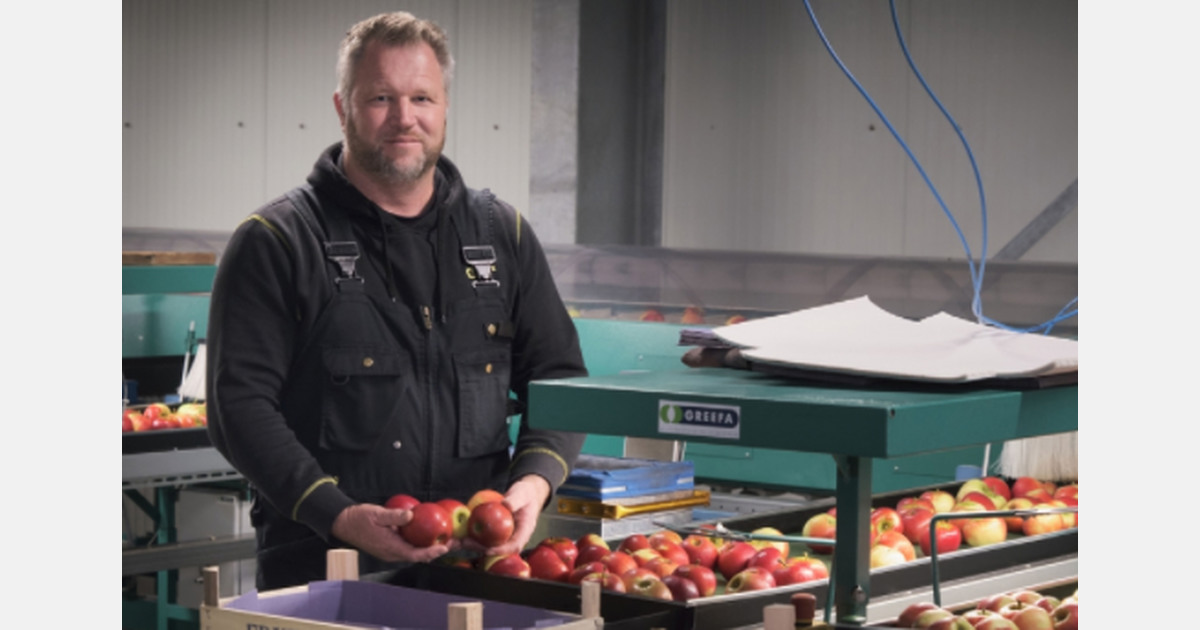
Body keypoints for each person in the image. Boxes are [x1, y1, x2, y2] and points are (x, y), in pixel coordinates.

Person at [206, 11, 587, 590]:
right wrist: (337, 515)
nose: (404, 118)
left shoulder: (501, 235)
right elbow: (238, 407)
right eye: (381, 98)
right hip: (323, 574)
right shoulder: (278, 241)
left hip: (476, 566)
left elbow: (558, 378)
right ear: (343, 108)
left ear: (445, 108)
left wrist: (534, 482)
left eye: (422, 98)